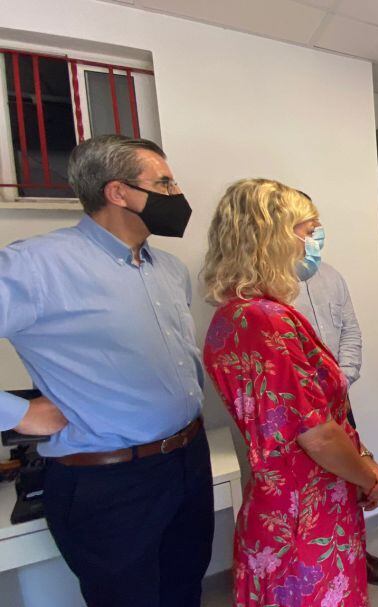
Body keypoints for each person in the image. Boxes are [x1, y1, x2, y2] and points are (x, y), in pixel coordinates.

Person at [0, 135, 212, 607]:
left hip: (186, 460)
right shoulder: (37, 266)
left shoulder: (169, 270)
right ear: (118, 193)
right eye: (164, 183)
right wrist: (16, 413)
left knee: (184, 590)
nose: (176, 194)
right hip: (109, 483)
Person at [201, 178, 378, 607]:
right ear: (269, 237)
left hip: (287, 496)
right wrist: (370, 477)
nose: (314, 241)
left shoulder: (233, 315)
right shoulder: (267, 320)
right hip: (305, 507)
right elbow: (317, 434)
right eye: (307, 231)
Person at [289, 215, 378, 586]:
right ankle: (311, 565)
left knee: (348, 477)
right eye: (307, 226)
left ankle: (355, 552)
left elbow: (350, 329)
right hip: (293, 410)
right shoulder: (262, 291)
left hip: (337, 397)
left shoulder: (330, 276)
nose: (316, 234)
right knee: (306, 490)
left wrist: (341, 379)